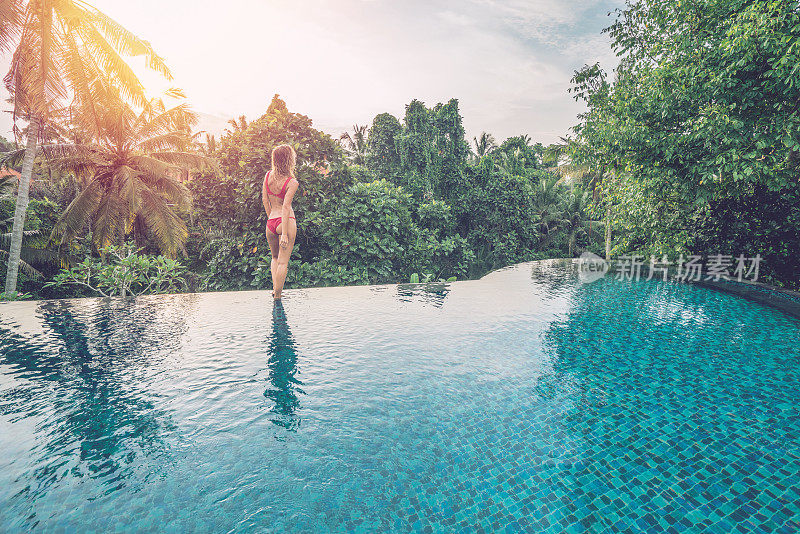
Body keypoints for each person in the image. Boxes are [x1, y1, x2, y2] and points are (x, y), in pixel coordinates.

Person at [262, 144, 299, 299]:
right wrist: (283, 232)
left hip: (271, 222)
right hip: (286, 222)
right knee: (283, 262)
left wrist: (272, 218)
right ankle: (277, 295)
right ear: (289, 160)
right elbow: (286, 207)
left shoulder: (267, 176)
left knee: (275, 258)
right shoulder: (292, 182)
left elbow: (265, 200)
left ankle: (275, 289)